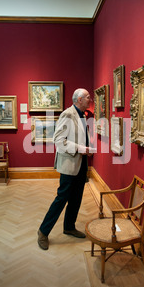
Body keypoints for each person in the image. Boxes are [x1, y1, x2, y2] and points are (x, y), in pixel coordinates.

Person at [37, 88, 94, 250]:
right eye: (88, 97)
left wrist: (86, 148)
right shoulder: (67, 114)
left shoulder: (81, 114)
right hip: (70, 164)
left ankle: (69, 227)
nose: (90, 99)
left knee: (76, 198)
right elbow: (58, 140)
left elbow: (79, 137)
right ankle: (43, 231)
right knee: (61, 199)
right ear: (79, 99)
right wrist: (80, 149)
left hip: (81, 164)